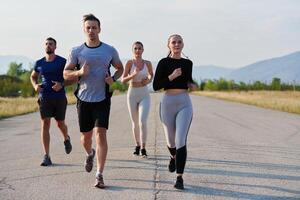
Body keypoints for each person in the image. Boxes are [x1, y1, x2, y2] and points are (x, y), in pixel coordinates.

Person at [63, 14, 123, 189]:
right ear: (84, 30)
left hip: (102, 99)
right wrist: (79, 73)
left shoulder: (109, 50)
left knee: (100, 134)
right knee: (85, 138)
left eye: (94, 27)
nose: (91, 31)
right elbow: (65, 74)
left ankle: (99, 174)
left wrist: (113, 79)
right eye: (88, 28)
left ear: (99, 29)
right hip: (84, 99)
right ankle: (89, 153)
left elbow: (120, 68)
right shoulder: (77, 51)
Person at [153, 34, 197, 190]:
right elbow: (156, 86)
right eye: (174, 42)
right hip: (168, 103)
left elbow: (188, 80)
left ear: (183, 45)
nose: (176, 44)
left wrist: (192, 84)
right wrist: (171, 76)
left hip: (184, 102)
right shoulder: (163, 62)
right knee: (171, 142)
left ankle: (179, 178)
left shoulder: (188, 63)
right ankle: (173, 156)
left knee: (180, 141)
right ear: (168, 45)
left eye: (179, 42)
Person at [30, 37, 72, 166]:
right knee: (45, 124)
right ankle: (46, 156)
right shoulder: (39, 63)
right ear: (44, 46)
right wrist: (35, 85)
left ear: (55, 46)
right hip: (45, 97)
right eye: (46, 44)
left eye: (51, 44)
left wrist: (62, 84)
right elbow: (33, 76)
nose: (48, 46)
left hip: (59, 98)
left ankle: (66, 138)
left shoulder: (62, 62)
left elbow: (71, 77)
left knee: (60, 124)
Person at [121, 41, 153, 158]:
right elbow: (123, 80)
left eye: (140, 48)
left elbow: (151, 75)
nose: (138, 50)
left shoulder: (148, 63)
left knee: (142, 121)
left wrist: (148, 80)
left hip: (144, 93)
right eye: (135, 48)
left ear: (143, 50)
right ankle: (137, 145)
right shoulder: (129, 63)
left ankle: (144, 148)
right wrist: (133, 75)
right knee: (135, 122)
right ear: (132, 50)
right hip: (132, 94)